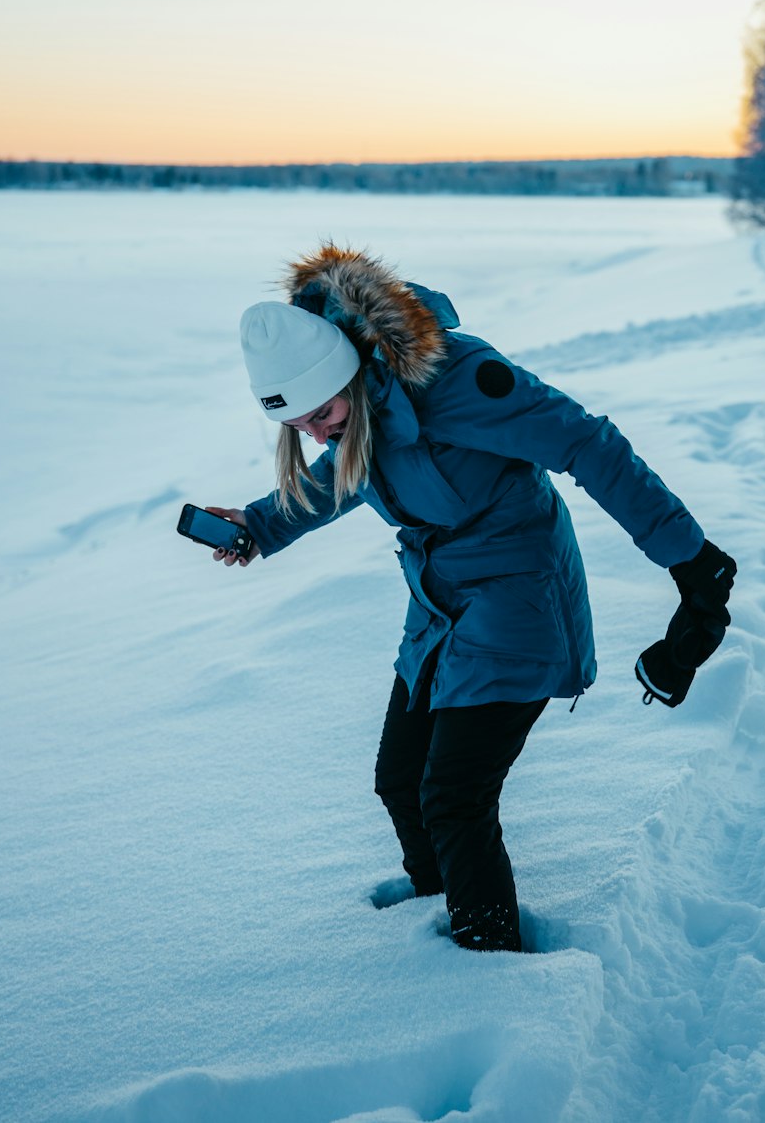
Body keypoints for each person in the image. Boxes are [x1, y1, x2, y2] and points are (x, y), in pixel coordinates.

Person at [209, 244, 736, 953]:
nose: (315, 434)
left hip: (519, 596)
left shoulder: (462, 382)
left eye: (321, 413)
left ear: (349, 374)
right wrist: (260, 525)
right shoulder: (359, 409)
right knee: (400, 781)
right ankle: (437, 916)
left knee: (454, 798)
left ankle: (486, 961)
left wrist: (692, 563)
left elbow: (589, 444)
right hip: (440, 602)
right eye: (296, 427)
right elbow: (346, 470)